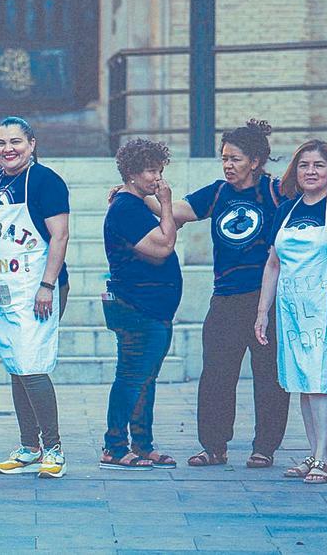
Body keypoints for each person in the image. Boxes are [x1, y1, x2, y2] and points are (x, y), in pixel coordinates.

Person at [160, 120, 290, 469]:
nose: (228, 165)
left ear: (256, 161)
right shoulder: (219, 192)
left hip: (267, 300)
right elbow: (177, 212)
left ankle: (265, 447)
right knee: (217, 374)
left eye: (235, 159)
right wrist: (136, 195)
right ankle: (213, 446)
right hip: (226, 298)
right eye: (224, 159)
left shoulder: (277, 193)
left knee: (269, 377)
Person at [254, 139, 327, 485]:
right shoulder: (285, 209)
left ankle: (324, 457)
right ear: (295, 171)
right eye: (304, 165)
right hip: (293, 308)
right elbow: (273, 264)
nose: (310, 172)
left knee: (322, 381)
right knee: (303, 382)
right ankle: (313, 452)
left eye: (318, 165)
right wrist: (262, 312)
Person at [0, 117, 71, 479]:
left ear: (32, 144)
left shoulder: (46, 180)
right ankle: (29, 447)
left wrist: (47, 285)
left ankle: (54, 448)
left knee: (32, 366)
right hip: (5, 288)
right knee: (16, 367)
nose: (8, 149)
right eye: (1, 143)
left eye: (16, 142)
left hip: (38, 289)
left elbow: (60, 236)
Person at [101, 138, 181, 471]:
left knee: (145, 378)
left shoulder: (134, 203)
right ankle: (115, 446)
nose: (157, 178)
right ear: (132, 173)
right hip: (137, 309)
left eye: (160, 171)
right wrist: (165, 201)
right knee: (132, 377)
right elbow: (162, 246)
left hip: (152, 309)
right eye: (151, 171)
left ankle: (142, 444)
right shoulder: (126, 209)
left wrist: (158, 202)